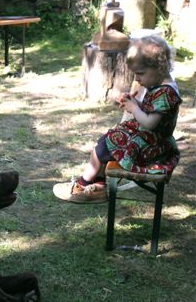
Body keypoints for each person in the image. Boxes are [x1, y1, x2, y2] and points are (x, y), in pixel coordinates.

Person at [53, 35, 182, 204]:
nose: (137, 79)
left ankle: (82, 185)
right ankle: (96, 187)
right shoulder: (160, 86)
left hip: (150, 148)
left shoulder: (166, 92)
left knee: (103, 146)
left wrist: (134, 108)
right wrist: (135, 102)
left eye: (140, 74)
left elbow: (150, 122)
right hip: (148, 141)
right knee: (105, 143)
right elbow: (151, 111)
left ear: (159, 67)